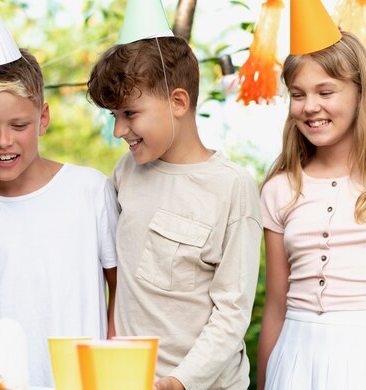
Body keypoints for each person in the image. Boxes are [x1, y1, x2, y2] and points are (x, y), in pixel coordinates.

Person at [257, 30, 366, 390]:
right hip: (296, 363)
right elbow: (275, 309)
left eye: (325, 91)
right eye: (297, 95)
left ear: (361, 94)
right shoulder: (279, 189)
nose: (309, 106)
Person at [87, 35, 262, 390]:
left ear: (178, 102)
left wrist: (179, 381)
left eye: (130, 114)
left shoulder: (232, 186)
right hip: (131, 380)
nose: (119, 130)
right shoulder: (126, 172)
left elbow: (232, 312)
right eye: (114, 116)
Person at [0, 47, 119, 387]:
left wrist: (112, 371)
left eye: (19, 124)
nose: (3, 140)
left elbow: (120, 290)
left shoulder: (90, 190)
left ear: (43, 118)